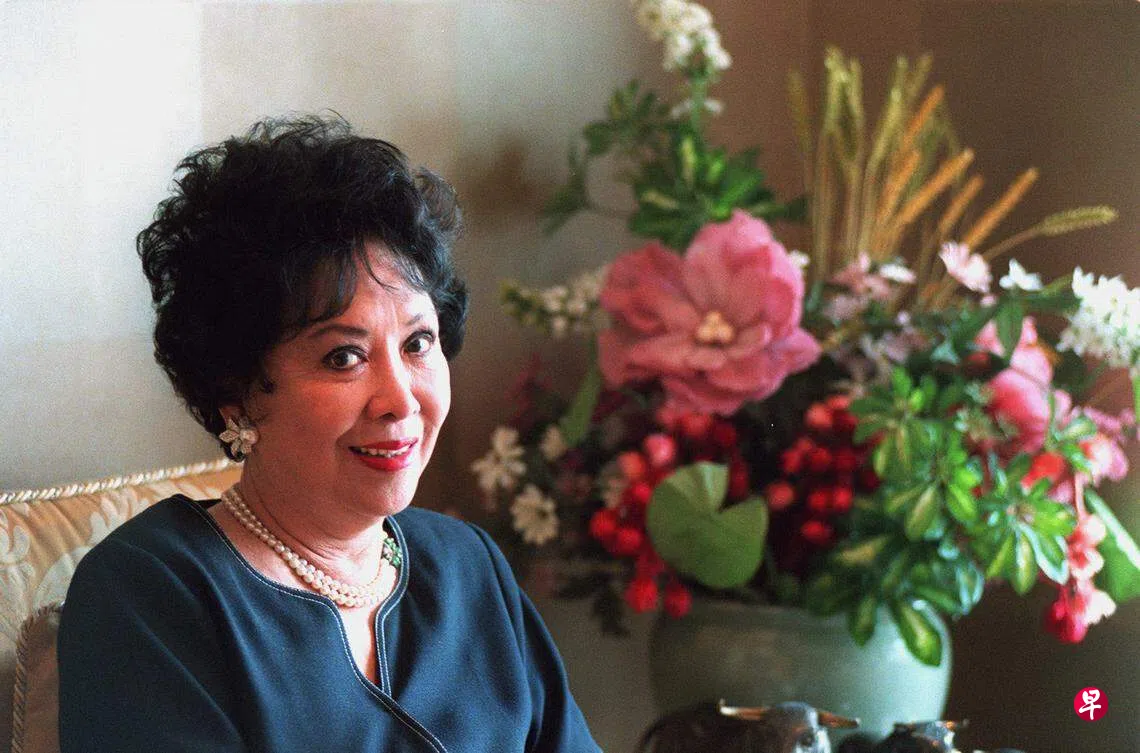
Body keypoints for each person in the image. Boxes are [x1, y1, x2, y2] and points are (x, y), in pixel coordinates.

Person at [57, 114, 601, 752]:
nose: (401, 399)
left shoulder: (467, 564)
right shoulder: (153, 590)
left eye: (418, 343)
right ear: (236, 392)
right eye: (344, 357)